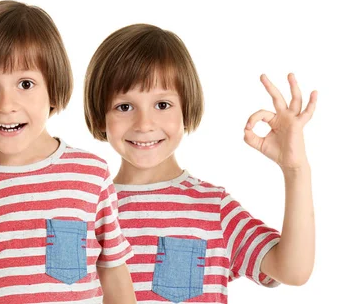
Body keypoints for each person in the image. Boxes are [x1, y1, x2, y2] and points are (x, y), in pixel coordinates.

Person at [83, 23, 316, 303]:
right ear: (100, 116)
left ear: (187, 108)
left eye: (162, 105)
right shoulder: (86, 209)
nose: (144, 124)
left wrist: (296, 170)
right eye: (124, 107)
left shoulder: (214, 208)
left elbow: (294, 271)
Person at [0, 0, 136, 304]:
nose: (6, 104)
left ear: (53, 87)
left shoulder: (91, 176)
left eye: (25, 83)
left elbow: (114, 274)